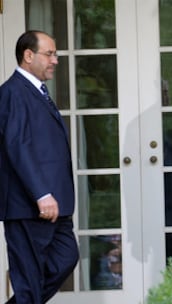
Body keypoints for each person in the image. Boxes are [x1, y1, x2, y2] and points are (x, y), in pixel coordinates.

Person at [0, 30, 79, 303]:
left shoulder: (37, 92)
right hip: (30, 205)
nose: (55, 60)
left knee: (66, 257)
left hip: (54, 206)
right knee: (29, 281)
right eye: (49, 54)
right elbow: (17, 145)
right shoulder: (12, 93)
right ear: (28, 55)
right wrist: (41, 193)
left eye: (55, 54)